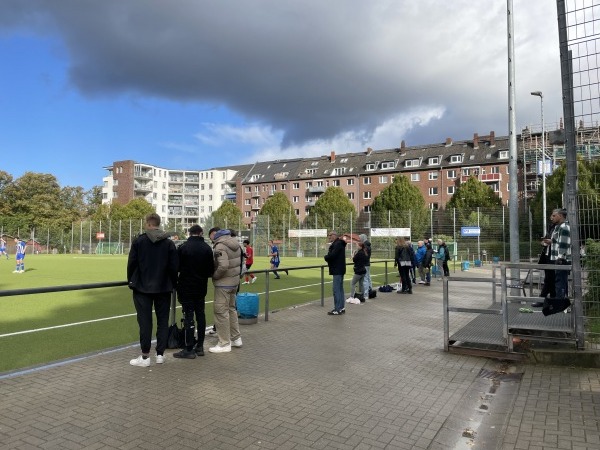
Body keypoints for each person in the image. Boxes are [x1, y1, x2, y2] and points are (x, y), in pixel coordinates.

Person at [127, 213, 178, 367]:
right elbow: (174, 266)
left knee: (145, 321)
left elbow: (132, 263)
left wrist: (131, 280)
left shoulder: (139, 241)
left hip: (142, 288)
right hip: (163, 287)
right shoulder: (168, 243)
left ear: (148, 224)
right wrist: (172, 282)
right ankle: (160, 354)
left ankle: (145, 357)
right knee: (163, 321)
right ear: (158, 224)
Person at [173, 225, 214, 359]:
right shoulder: (207, 248)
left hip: (186, 287)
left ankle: (189, 347)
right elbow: (210, 271)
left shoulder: (183, 247)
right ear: (201, 233)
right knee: (200, 314)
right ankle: (200, 346)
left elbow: (176, 267)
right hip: (200, 287)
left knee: (188, 316)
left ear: (190, 233)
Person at [208, 227, 243, 353]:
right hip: (234, 283)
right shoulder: (237, 244)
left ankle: (224, 343)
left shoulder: (220, 246)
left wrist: (215, 276)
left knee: (220, 312)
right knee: (231, 310)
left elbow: (223, 266)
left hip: (223, 284)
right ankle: (236, 338)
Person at [543, 209, 571, 307]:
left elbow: (564, 244)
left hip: (561, 260)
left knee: (560, 282)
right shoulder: (558, 227)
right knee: (560, 281)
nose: (552, 217)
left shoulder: (564, 227)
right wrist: (551, 241)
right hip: (557, 258)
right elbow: (558, 241)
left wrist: (560, 258)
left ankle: (560, 303)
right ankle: (562, 302)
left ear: (560, 216)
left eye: (554, 215)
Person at [532, 222, 557, 307]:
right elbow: (546, 240)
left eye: (554, 215)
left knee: (550, 279)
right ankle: (552, 300)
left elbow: (560, 241)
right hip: (548, 256)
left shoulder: (561, 227)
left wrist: (551, 241)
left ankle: (543, 299)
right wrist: (544, 242)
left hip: (554, 257)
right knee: (550, 279)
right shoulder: (551, 227)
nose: (552, 218)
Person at [324, 230, 347, 315]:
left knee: (336, 290)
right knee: (340, 289)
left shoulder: (337, 244)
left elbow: (332, 255)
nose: (329, 237)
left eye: (330, 235)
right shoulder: (340, 243)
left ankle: (337, 309)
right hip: (340, 269)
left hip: (337, 269)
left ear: (334, 235)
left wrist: (326, 257)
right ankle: (341, 307)